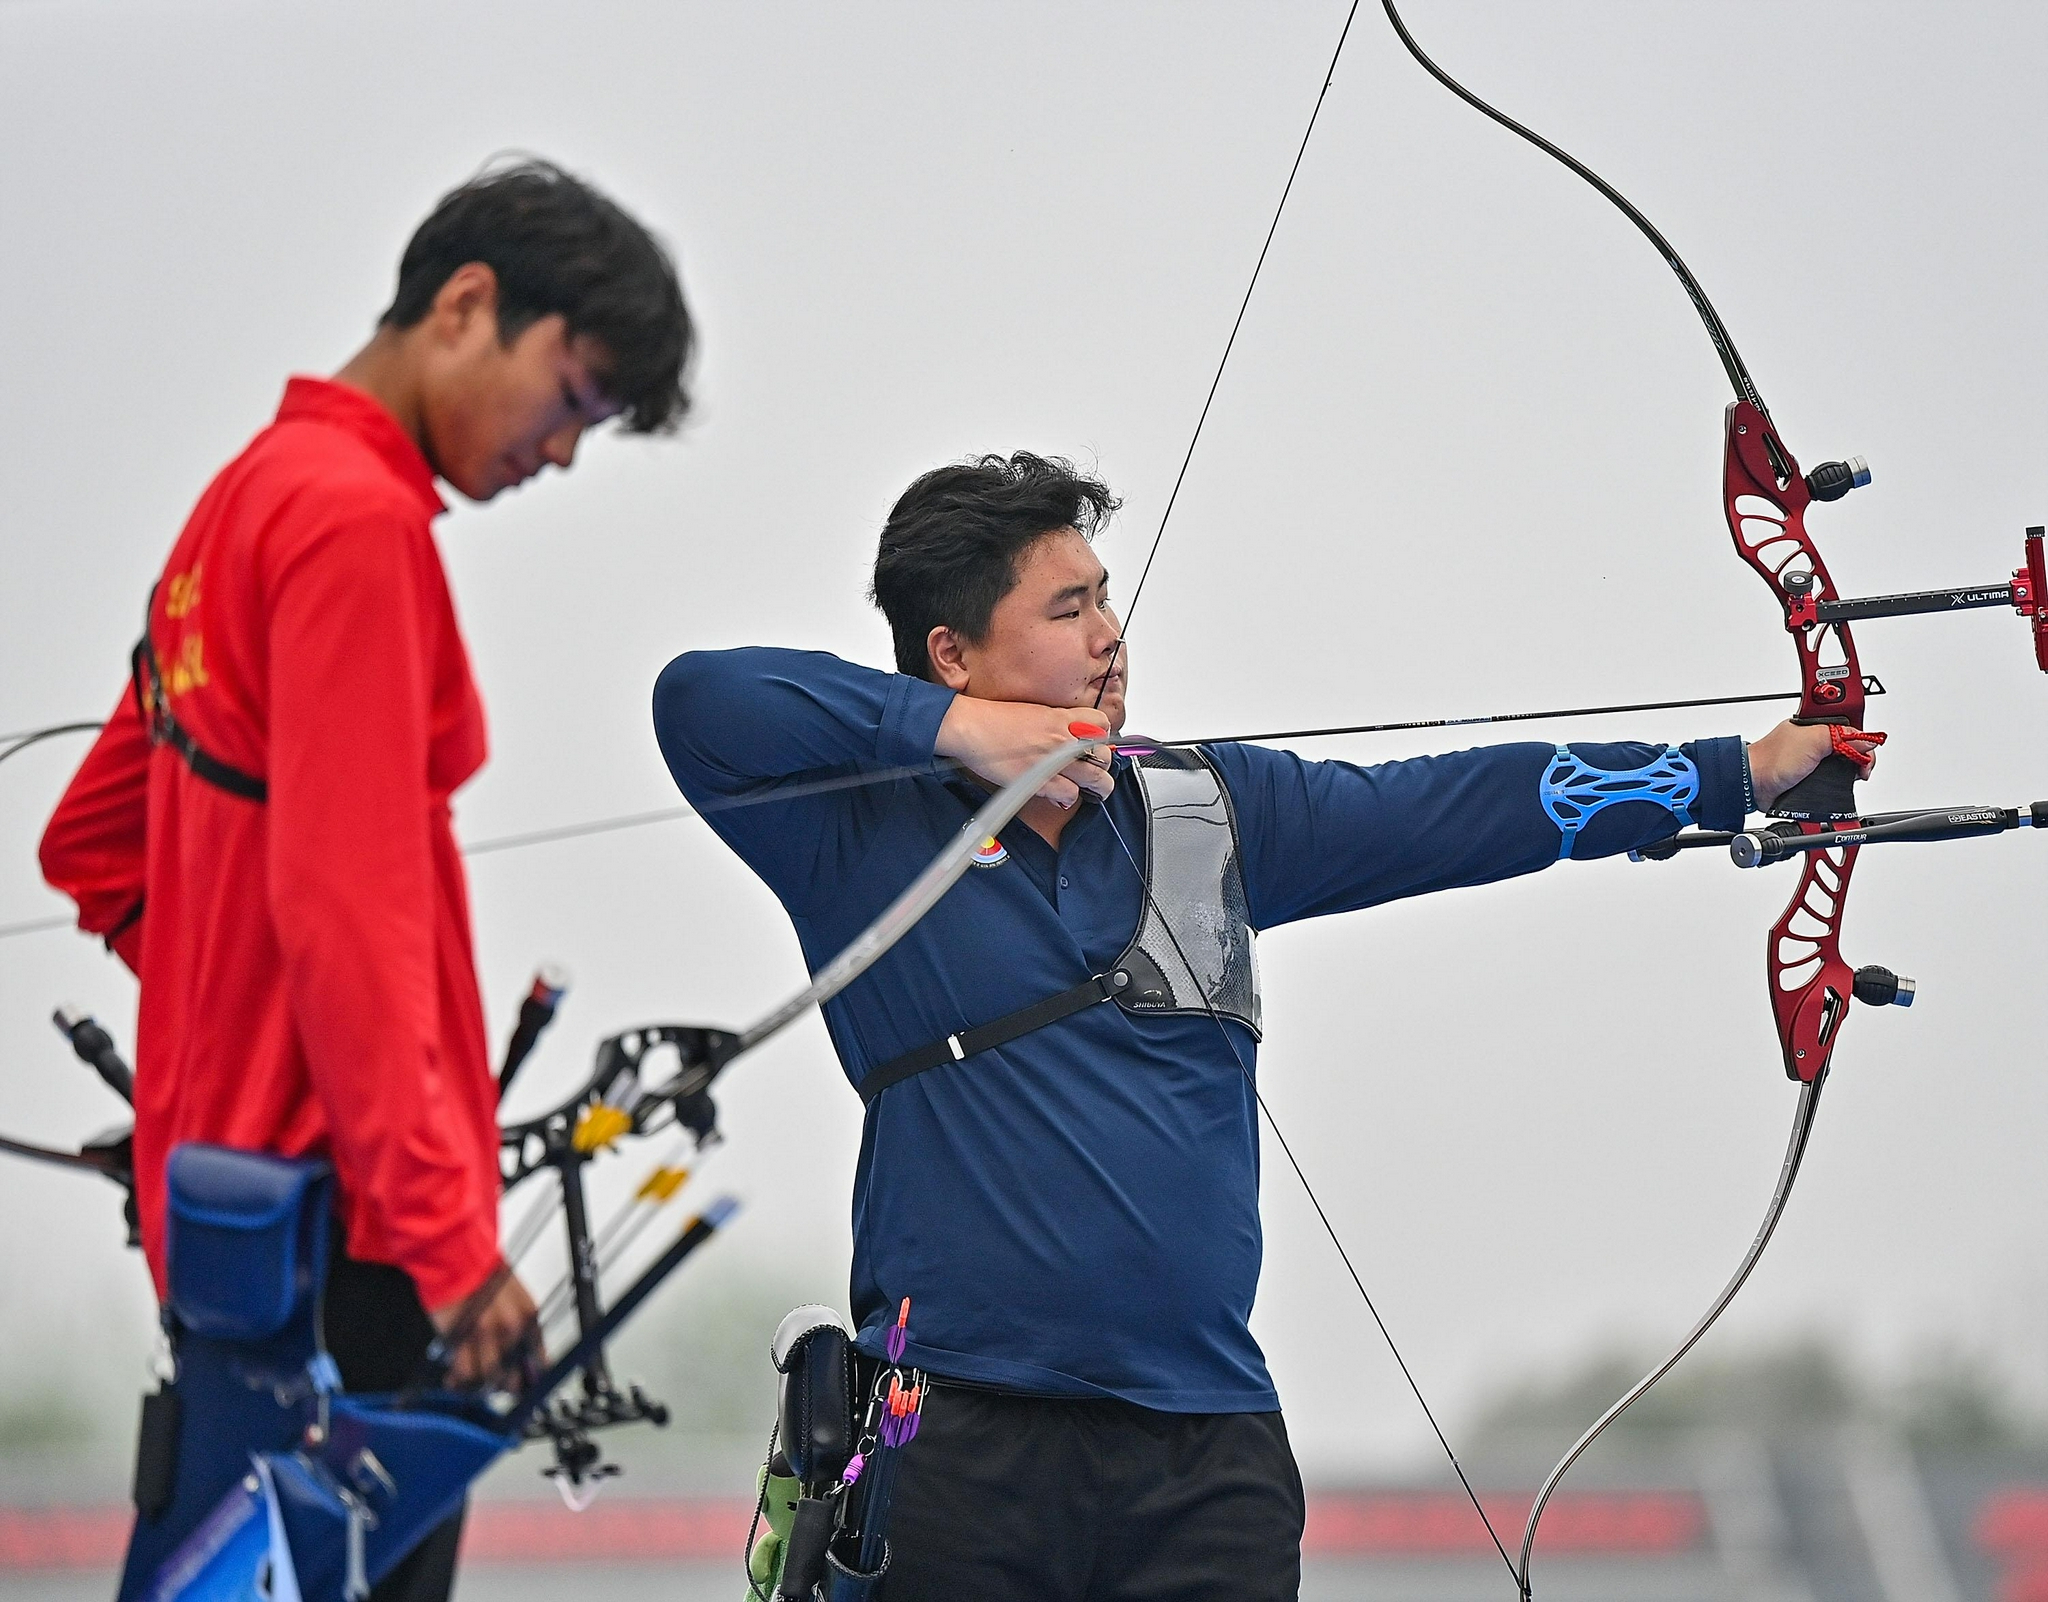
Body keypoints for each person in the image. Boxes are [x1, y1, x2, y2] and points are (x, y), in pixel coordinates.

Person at [650, 452, 1867, 1602]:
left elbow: (1451, 806)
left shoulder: (1209, 809)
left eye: (1106, 600)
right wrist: (957, 734)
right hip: (961, 1433)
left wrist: (1737, 772)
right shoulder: (861, 835)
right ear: (952, 652)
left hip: (1206, 1452)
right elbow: (698, 697)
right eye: (1066, 609)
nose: (1109, 636)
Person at [39, 158, 693, 1602]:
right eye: (572, 395)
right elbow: (347, 915)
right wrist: (453, 1250)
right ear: (469, 304)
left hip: (231, 1225)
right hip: (356, 1235)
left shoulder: (240, 502)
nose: (566, 452)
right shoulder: (355, 521)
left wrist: (219, 1051)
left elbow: (91, 843)